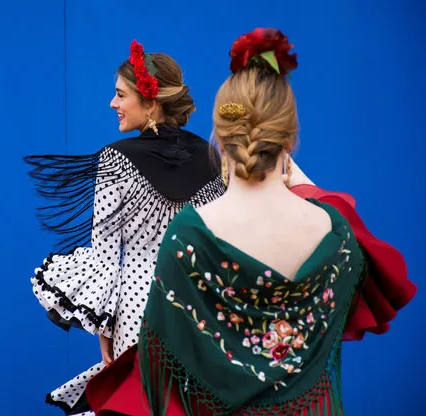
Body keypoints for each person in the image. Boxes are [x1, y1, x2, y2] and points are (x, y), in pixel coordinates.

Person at [85, 28, 417, 415]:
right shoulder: (338, 237)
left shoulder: (190, 236)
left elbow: (159, 374)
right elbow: (365, 251)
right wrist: (301, 181)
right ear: (289, 138)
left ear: (220, 135)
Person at [25, 40, 226, 414]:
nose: (112, 104)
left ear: (150, 103)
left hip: (137, 312)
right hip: (195, 313)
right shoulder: (214, 159)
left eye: (120, 94)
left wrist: (105, 328)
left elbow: (104, 255)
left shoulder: (116, 160)